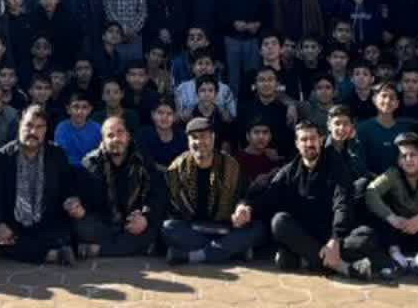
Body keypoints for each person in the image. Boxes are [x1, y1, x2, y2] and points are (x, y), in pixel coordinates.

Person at [250, 119, 354, 276]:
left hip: (329, 232)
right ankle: (334, 264)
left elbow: (343, 204)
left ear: (321, 140)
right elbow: (268, 196)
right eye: (304, 140)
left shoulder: (336, 165)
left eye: (313, 138)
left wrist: (335, 239)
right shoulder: (290, 170)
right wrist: (246, 206)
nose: (309, 143)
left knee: (364, 237)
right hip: (303, 234)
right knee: (279, 222)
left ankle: (312, 260)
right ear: (297, 144)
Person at [162, 118, 265, 265]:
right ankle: (232, 250)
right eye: (194, 137)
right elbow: (171, 207)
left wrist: (242, 208)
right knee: (168, 228)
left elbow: (244, 195)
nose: (199, 142)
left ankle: (194, 256)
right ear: (188, 141)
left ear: (213, 138)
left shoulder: (230, 165)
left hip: (226, 227)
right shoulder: (177, 168)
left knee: (258, 229)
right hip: (193, 229)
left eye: (204, 136)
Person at [0, 105, 78, 264]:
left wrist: (72, 201)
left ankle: (11, 250)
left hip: (46, 221)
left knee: (65, 233)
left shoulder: (57, 154)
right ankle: (52, 255)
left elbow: (67, 188)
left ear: (46, 129)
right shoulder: (2, 157)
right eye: (29, 125)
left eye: (39, 127)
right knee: (1, 235)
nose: (33, 132)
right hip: (14, 221)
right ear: (20, 125)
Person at [357, 132, 418, 281]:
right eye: (403, 156)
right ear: (398, 161)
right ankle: (398, 260)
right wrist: (392, 218)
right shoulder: (392, 174)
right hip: (399, 229)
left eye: (413, 155)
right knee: (382, 222)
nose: (408, 160)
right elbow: (371, 192)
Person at [73, 115, 163, 258]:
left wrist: (145, 218)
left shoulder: (143, 160)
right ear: (103, 140)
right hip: (103, 223)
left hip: (134, 222)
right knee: (82, 227)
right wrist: (78, 208)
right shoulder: (90, 163)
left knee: (157, 228)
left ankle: (98, 250)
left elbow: (157, 194)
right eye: (110, 135)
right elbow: (85, 200)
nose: (116, 139)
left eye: (120, 133)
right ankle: (133, 248)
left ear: (128, 136)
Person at [355, 82, 414, 176]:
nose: (387, 101)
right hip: (371, 181)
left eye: (392, 98)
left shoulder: (405, 130)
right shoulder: (362, 129)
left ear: (397, 103)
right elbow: (359, 162)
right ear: (374, 100)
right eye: (384, 96)